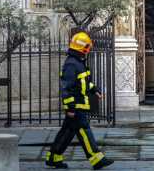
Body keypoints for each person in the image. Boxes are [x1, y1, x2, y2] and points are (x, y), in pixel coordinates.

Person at [46, 32, 114, 169]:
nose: (89, 50)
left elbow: (83, 83)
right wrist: (70, 108)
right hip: (76, 106)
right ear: (82, 48)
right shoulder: (72, 64)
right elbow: (67, 88)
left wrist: (94, 89)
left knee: (67, 132)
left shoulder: (78, 63)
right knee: (84, 130)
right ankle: (96, 158)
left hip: (80, 104)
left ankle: (54, 157)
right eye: (87, 47)